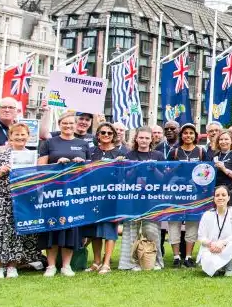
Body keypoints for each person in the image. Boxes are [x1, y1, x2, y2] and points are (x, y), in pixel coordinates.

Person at [0, 123, 45, 278]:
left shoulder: (33, 157)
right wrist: (0, 172)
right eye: (16, 134)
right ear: (10, 136)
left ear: (28, 137)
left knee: (18, 231)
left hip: (22, 199)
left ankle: (13, 265)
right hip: (0, 198)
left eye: (23, 134)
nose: (19, 137)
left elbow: (39, 179)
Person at [37, 113, 89, 276]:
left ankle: (66, 265)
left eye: (71, 123)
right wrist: (56, 164)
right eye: (65, 123)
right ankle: (51, 266)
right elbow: (40, 168)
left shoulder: (83, 144)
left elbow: (89, 170)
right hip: (53, 191)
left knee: (71, 227)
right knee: (52, 226)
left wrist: (83, 164)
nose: (68, 126)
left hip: (75, 192)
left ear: (76, 125)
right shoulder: (49, 142)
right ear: (59, 124)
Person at [87, 121, 127, 274]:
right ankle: (96, 262)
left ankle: (106, 263)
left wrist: (121, 165)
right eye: (103, 133)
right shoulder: (91, 152)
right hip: (93, 196)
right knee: (95, 229)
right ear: (97, 135)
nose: (106, 135)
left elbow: (124, 177)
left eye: (109, 133)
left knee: (110, 229)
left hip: (112, 197)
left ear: (114, 136)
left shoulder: (120, 153)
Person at [121, 127, 163, 271]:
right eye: (141, 137)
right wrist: (135, 168)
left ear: (151, 139)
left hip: (152, 199)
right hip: (133, 198)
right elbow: (126, 179)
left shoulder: (158, 155)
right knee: (131, 230)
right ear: (136, 138)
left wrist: (154, 169)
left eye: (147, 138)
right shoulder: (129, 155)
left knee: (152, 230)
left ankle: (156, 261)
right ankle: (131, 263)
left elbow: (163, 179)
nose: (144, 140)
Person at [196, 185, 232, 277]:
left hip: (228, 245)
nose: (220, 198)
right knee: (211, 267)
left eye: (223, 195)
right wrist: (211, 244)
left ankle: (229, 268)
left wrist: (222, 243)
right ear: (214, 198)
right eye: (217, 195)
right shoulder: (207, 215)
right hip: (211, 247)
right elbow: (201, 236)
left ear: (228, 197)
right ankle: (216, 268)